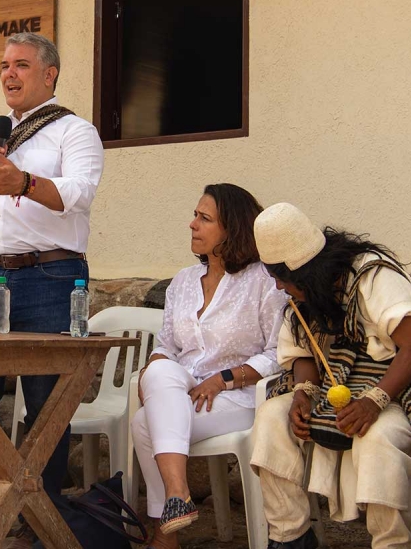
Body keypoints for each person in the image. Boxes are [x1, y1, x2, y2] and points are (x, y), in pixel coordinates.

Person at [0, 32, 104, 549]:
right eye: (5, 66)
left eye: (22, 66)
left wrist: (22, 182)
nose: (9, 74)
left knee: (45, 403)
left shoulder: (76, 131)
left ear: (49, 74)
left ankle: (40, 519)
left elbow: (77, 195)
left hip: (52, 278)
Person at [249, 203, 411, 549]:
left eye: (281, 280)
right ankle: (291, 536)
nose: (279, 288)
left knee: (375, 436)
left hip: (402, 389)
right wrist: (302, 392)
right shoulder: (305, 296)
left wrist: (373, 402)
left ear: (305, 276)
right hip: (341, 387)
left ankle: (392, 543)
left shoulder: (375, 276)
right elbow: (303, 353)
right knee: (272, 415)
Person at [131, 184, 287, 548]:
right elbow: (167, 345)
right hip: (183, 386)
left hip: (241, 394)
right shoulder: (183, 281)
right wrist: (153, 369)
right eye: (195, 215)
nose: (192, 224)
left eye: (204, 218)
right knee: (158, 370)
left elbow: (279, 352)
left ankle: (165, 531)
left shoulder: (264, 281)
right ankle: (178, 494)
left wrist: (225, 379)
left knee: (143, 424)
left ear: (231, 229)